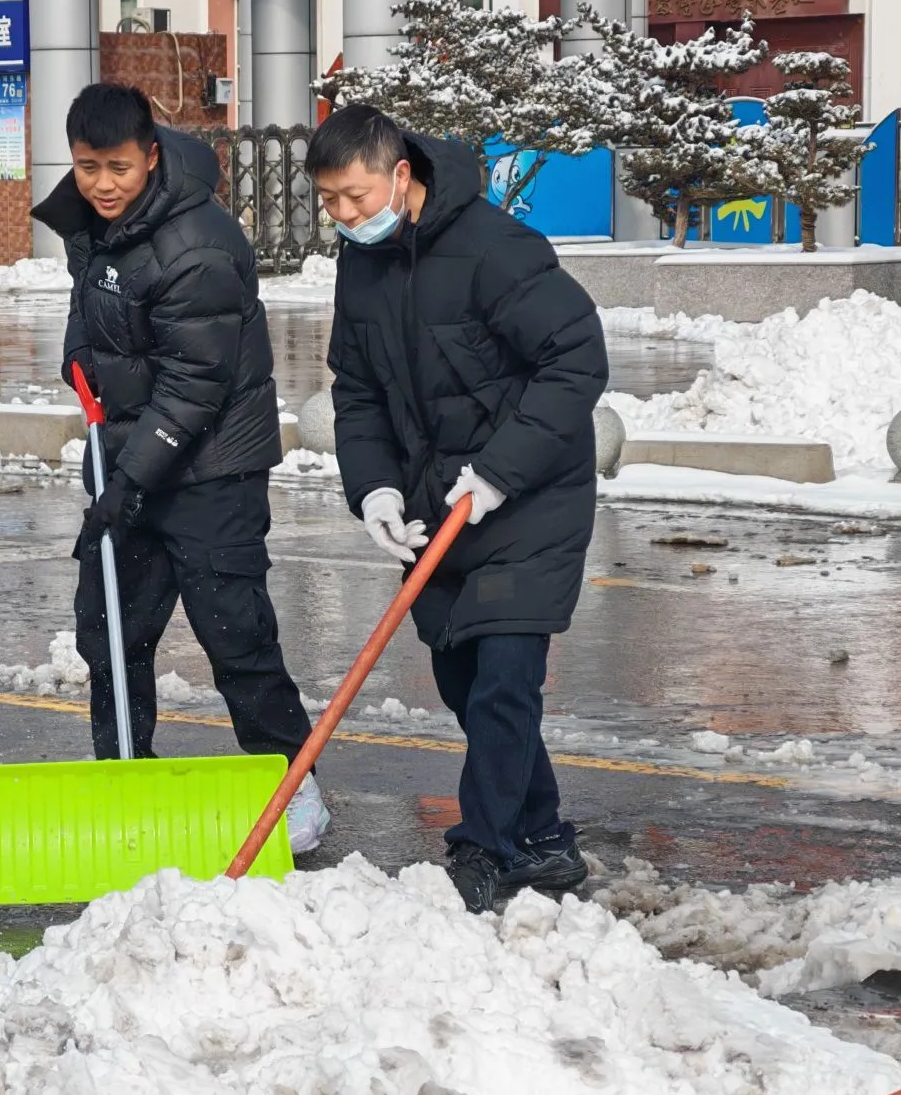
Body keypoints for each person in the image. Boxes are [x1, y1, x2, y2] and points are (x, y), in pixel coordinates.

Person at [310, 103, 608, 913]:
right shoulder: (360, 263)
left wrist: (501, 473)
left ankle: (486, 849)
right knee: (463, 678)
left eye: (357, 196)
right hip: (437, 505)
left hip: (530, 497)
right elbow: (358, 389)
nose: (346, 215)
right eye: (330, 201)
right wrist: (373, 487)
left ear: (401, 174)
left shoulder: (494, 249)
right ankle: (543, 836)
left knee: (504, 678)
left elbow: (576, 359)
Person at [31, 83, 327, 852]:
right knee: (109, 628)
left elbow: (195, 385)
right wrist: (78, 355)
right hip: (131, 451)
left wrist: (129, 482)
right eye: (88, 166)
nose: (102, 183)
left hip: (212, 468)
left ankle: (291, 783)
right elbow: (91, 307)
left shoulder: (197, 245)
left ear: (151, 157)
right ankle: (124, 772)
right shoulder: (97, 221)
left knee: (234, 633)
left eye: (119, 167)